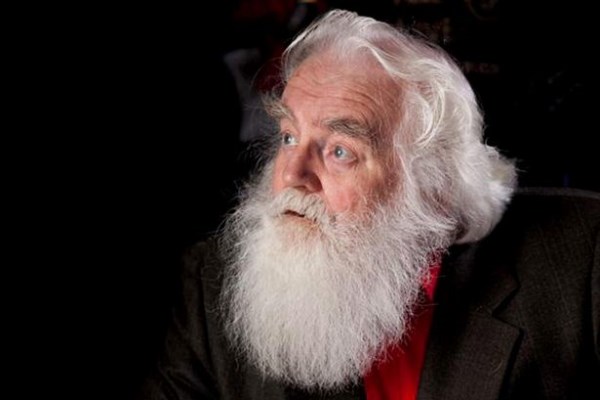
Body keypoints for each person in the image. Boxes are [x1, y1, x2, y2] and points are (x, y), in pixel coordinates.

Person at [138, 9, 600, 400]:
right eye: (289, 137)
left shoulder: (585, 259)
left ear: (433, 184)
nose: (292, 176)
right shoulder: (210, 284)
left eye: (340, 151)